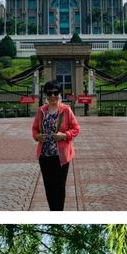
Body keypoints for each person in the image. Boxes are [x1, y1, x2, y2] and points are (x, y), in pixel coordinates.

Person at [31, 81, 80, 210]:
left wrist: (64, 135)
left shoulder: (66, 110)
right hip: (45, 155)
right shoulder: (41, 111)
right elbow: (35, 129)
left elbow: (76, 128)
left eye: (55, 93)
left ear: (60, 94)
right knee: (48, 186)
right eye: (49, 93)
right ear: (46, 95)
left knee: (59, 186)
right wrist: (37, 137)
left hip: (61, 156)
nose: (53, 96)